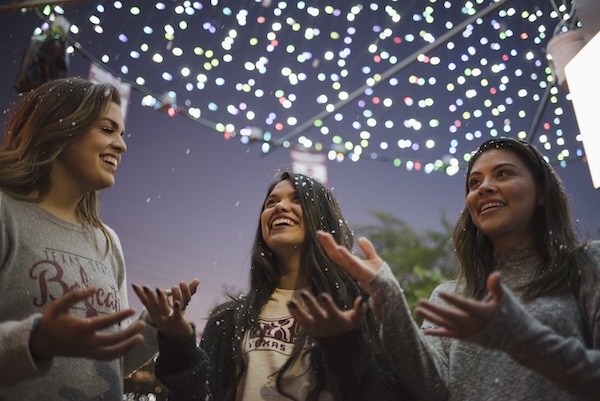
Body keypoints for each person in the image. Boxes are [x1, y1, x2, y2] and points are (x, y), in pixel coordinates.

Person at [292, 137, 600, 401]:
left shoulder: (586, 267)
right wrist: (389, 295)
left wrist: (525, 340)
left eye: (503, 174)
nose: (485, 188)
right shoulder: (449, 297)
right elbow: (432, 389)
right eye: (474, 182)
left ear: (542, 192)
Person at [134, 171, 412, 401]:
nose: (279, 207)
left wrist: (346, 346)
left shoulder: (363, 309)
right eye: (271, 202)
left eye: (297, 199)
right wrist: (178, 343)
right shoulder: (228, 321)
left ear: (324, 218)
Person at [0, 78, 197, 400]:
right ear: (59, 127)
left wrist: (154, 325)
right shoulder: (6, 213)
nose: (121, 145)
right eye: (107, 130)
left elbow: (111, 363)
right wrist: (36, 341)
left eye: (121, 134)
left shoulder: (107, 242)